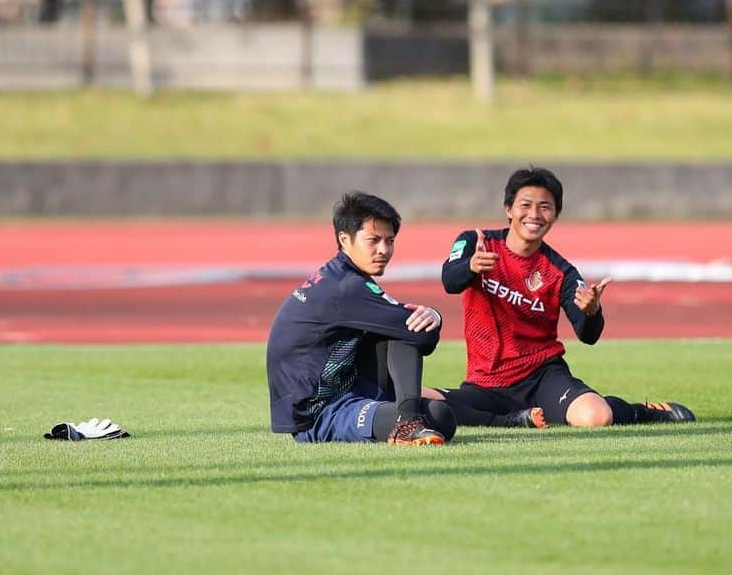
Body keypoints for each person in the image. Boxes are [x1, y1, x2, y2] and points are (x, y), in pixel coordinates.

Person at [424, 166, 695, 428]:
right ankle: (515, 420)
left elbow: (589, 335)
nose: (534, 214)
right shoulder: (476, 242)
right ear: (508, 209)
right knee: (413, 398)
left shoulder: (561, 272)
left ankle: (639, 413)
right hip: (485, 385)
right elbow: (450, 280)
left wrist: (591, 311)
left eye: (545, 207)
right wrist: (470, 266)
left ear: (555, 215)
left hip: (543, 379)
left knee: (596, 418)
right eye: (525, 205)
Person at [267, 192, 456, 446]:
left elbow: (415, 330)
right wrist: (433, 318)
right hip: (319, 414)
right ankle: (408, 421)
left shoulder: (339, 276)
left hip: (346, 390)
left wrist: (432, 315)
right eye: (374, 240)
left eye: (390, 241)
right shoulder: (347, 287)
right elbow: (423, 335)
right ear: (345, 239)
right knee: (439, 414)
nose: (384, 250)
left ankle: (407, 418)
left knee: (441, 414)